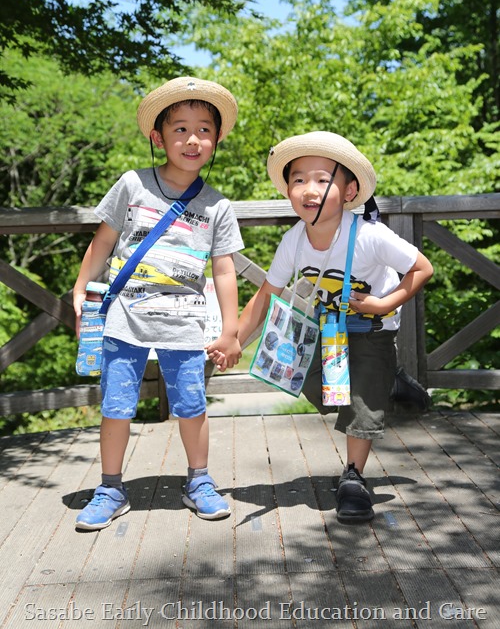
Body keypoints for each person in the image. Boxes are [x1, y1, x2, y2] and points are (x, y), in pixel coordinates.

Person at [211, 130, 433, 524]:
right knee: (326, 392)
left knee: (360, 408)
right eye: (298, 179)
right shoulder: (294, 240)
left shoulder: (369, 235)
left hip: (372, 332)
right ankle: (389, 384)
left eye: (320, 179)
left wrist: (383, 303)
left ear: (349, 192)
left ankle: (353, 477)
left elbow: (422, 268)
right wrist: (234, 339)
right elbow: (265, 295)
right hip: (329, 332)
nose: (307, 189)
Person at [73, 76, 244, 529]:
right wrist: (79, 290)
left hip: (186, 323)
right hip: (123, 319)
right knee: (115, 406)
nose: (193, 139)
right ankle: (110, 487)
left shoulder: (217, 206)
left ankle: (200, 481)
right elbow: (102, 242)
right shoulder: (132, 185)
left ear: (216, 139)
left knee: (192, 404)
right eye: (181, 129)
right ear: (158, 137)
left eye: (205, 129)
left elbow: (224, 270)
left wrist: (230, 329)